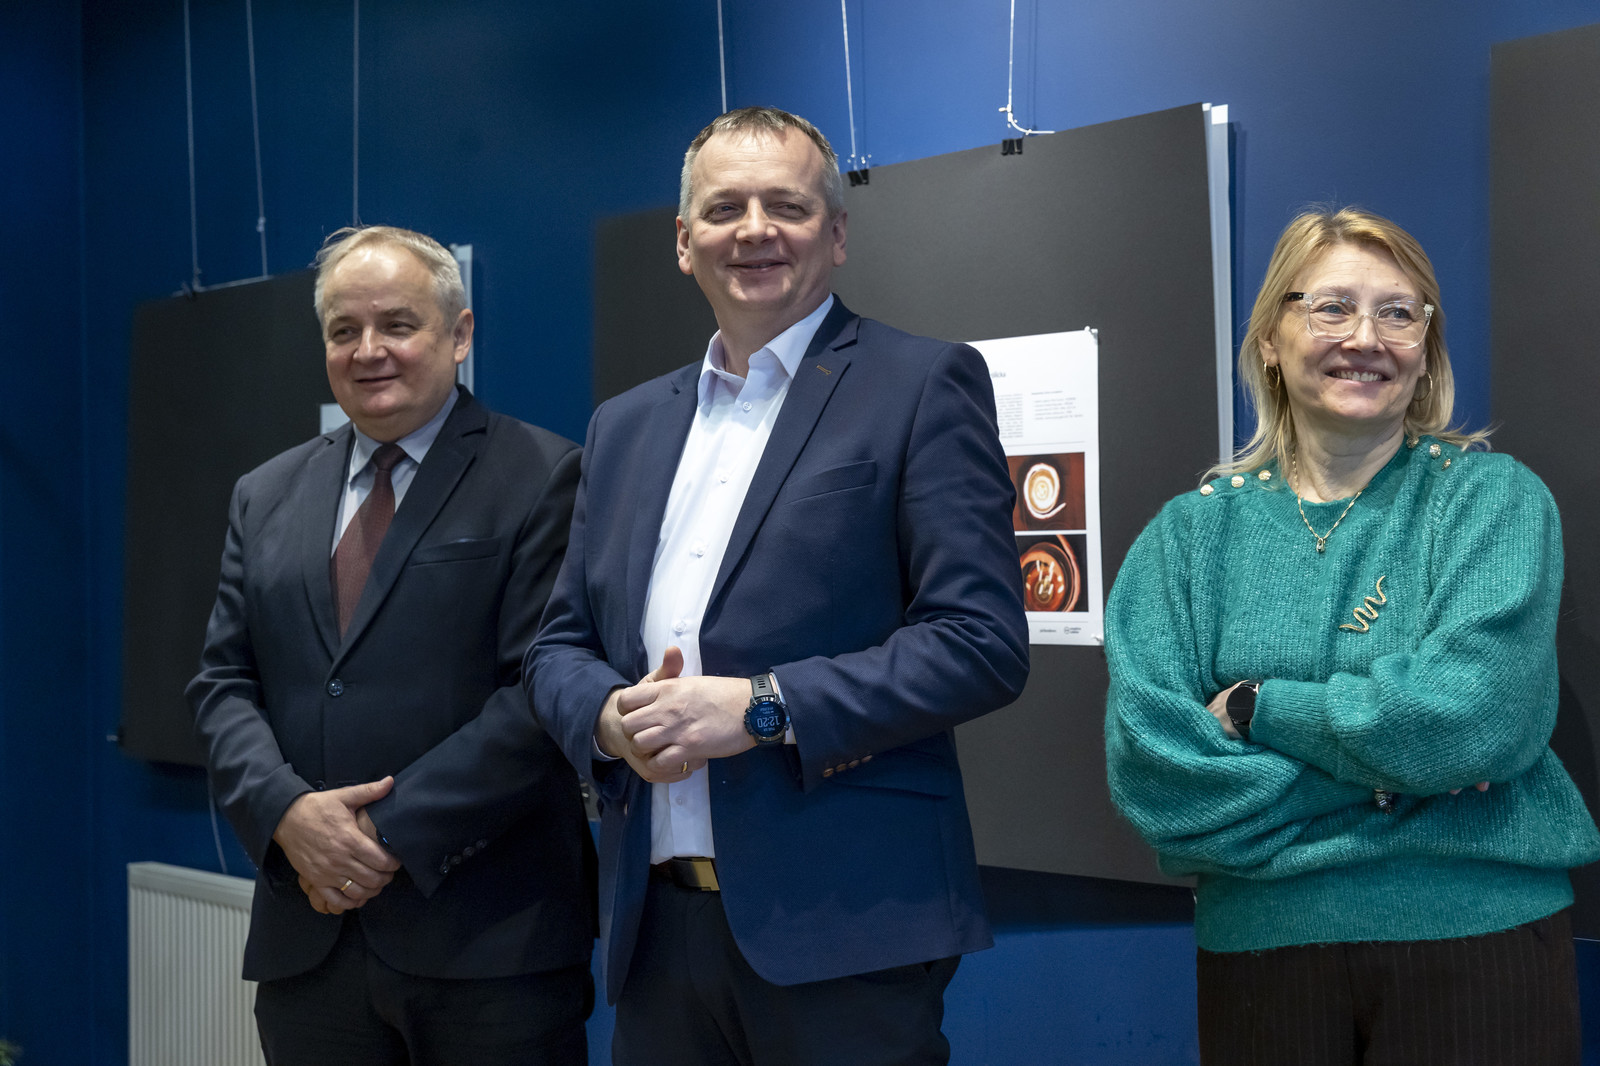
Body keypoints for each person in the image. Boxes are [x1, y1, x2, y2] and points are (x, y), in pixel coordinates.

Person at [527, 107, 1029, 1066]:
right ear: (685, 243)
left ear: (835, 234)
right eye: (725, 209)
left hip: (846, 927)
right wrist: (608, 720)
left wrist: (761, 708)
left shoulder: (923, 385)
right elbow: (557, 647)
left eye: (786, 206)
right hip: (654, 931)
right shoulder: (623, 427)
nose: (754, 229)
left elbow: (981, 643)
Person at [1105, 206, 1600, 1064]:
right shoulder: (1187, 537)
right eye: (1331, 307)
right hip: (1261, 954)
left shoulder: (1491, 501)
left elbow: (1476, 720)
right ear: (1271, 337)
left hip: (1478, 943)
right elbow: (1156, 777)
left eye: (1398, 313)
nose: (1365, 338)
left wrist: (1259, 709)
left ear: (1426, 349)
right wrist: (1407, 779)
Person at [187, 225, 595, 1065]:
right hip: (310, 942)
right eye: (345, 330)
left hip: (490, 944)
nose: (369, 350)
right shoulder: (264, 493)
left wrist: (380, 832)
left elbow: (540, 693)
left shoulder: (545, 474)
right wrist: (286, 813)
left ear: (460, 333)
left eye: (397, 324)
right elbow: (223, 684)